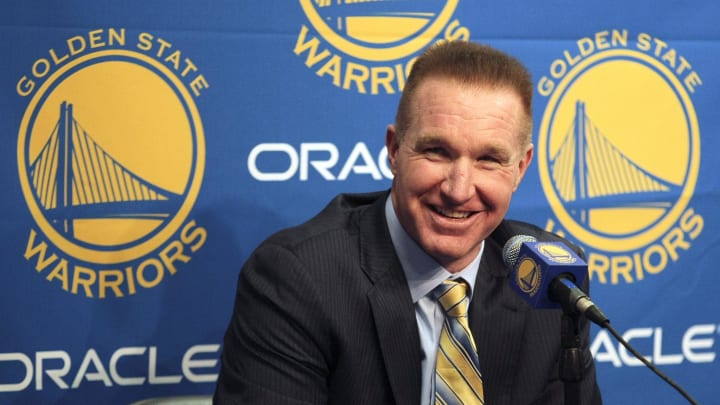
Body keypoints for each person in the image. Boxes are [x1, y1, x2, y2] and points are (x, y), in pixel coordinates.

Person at [214, 40, 602, 405]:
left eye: (488, 159)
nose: (459, 189)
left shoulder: (550, 280)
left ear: (520, 168)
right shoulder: (296, 278)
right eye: (437, 151)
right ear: (395, 150)